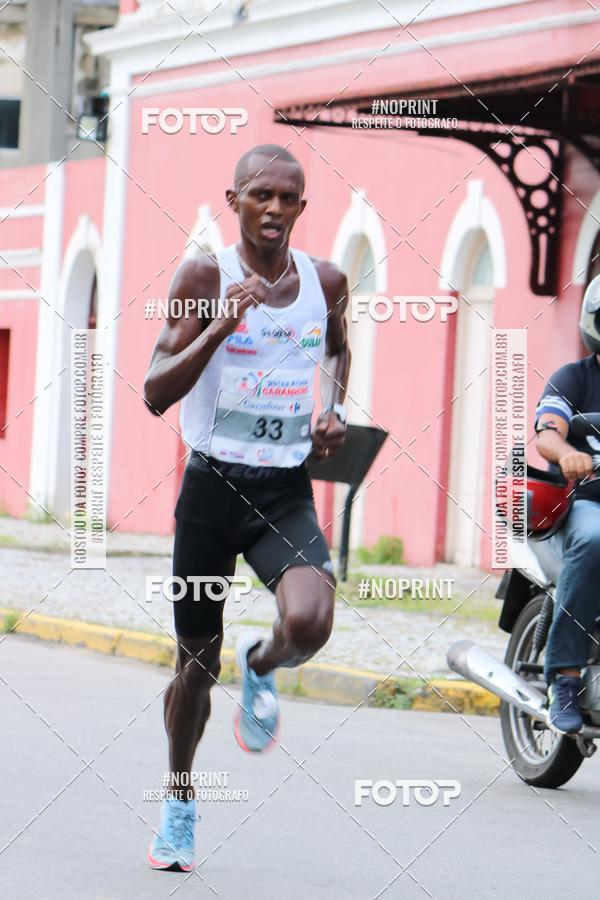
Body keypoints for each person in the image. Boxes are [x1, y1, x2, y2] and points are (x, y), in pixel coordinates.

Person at [142, 144, 351, 870]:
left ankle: (260, 665)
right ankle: (179, 802)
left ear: (301, 207)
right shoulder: (205, 276)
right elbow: (154, 390)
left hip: (282, 490)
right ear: (233, 202)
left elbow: (338, 351)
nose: (274, 208)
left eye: (288, 197)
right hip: (211, 491)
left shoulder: (326, 280)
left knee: (311, 620)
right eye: (260, 195)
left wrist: (332, 412)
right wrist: (218, 328)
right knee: (194, 667)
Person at [534, 273, 600, 733]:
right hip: (585, 505)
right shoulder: (573, 378)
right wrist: (567, 453)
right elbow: (547, 433)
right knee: (596, 537)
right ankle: (566, 677)